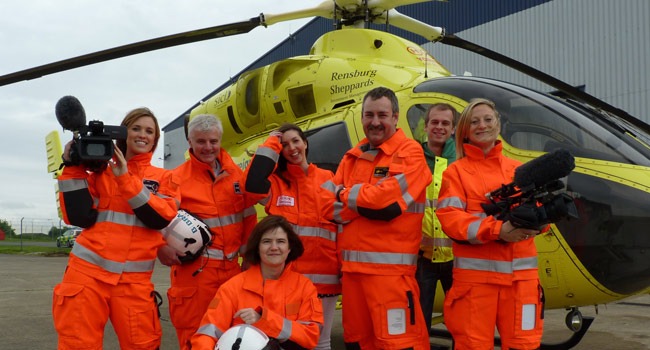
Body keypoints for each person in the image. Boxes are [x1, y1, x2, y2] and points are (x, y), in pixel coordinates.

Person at [53, 107, 180, 349]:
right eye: (136, 128)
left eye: (149, 131)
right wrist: (72, 167)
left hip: (134, 283)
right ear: (124, 133)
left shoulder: (165, 178)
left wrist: (124, 178)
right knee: (77, 344)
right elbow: (78, 215)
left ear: (155, 139)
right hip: (87, 276)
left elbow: (160, 218)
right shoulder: (101, 173)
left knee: (143, 344)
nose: (143, 135)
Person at [320, 86, 432, 350]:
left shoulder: (410, 153)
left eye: (382, 115)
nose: (375, 122)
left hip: (391, 279)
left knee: (398, 344)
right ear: (362, 118)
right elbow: (326, 206)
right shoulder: (351, 157)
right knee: (357, 344)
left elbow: (387, 204)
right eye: (369, 115)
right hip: (353, 278)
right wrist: (365, 202)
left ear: (395, 117)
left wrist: (343, 194)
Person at [436, 98, 546, 349]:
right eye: (474, 122)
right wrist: (499, 230)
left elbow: (542, 220)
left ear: (498, 124)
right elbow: (451, 220)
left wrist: (542, 218)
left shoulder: (520, 171)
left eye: (488, 119)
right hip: (476, 286)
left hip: (521, 284)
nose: (482, 125)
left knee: (524, 345)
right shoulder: (456, 172)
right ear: (465, 131)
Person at [157, 113, 257, 350]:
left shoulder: (235, 176)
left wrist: (250, 260)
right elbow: (157, 220)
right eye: (201, 141)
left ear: (220, 140)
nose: (208, 147)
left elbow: (249, 218)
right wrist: (159, 247)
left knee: (234, 339)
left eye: (213, 141)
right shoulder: (175, 179)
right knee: (195, 339)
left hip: (233, 274)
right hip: (195, 277)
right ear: (190, 142)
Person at [243, 122, 340, 350]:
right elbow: (251, 186)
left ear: (305, 143)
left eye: (296, 141)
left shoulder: (329, 178)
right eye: (284, 144)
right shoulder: (276, 184)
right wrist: (270, 143)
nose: (292, 148)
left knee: (321, 341)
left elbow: (341, 224)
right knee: (285, 339)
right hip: (288, 280)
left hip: (325, 279)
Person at [191, 215, 324, 350]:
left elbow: (311, 336)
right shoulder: (232, 288)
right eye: (266, 241)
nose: (274, 247)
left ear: (290, 248)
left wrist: (263, 320)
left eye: (281, 241)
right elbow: (206, 335)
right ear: (257, 248)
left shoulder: (304, 287)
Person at [416, 103, 458, 333]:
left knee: (462, 323)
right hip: (423, 259)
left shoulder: (461, 160)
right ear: (426, 126)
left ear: (453, 129)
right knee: (419, 323)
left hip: (457, 258)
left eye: (445, 123)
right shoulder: (413, 157)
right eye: (435, 122)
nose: (439, 127)